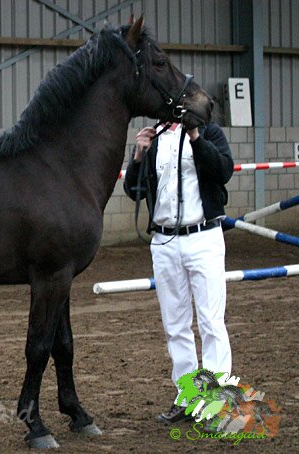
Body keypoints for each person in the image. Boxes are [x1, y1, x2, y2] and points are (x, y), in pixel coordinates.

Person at [123, 121, 234, 424]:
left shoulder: (209, 133)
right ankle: (187, 396)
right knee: (175, 325)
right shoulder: (154, 140)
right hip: (165, 241)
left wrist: (196, 137)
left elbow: (223, 170)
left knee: (211, 321)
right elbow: (133, 190)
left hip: (203, 236)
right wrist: (138, 156)